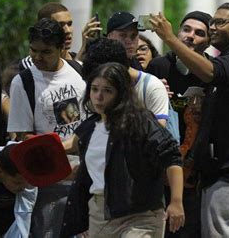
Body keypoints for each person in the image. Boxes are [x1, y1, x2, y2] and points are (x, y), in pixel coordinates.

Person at [151, 2, 229, 237]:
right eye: (212, 23)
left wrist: (169, 38)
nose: (213, 27)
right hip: (224, 169)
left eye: (219, 22)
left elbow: (210, 72)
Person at [61, 62, 184, 237]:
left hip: (140, 214)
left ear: (121, 93)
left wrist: (177, 201)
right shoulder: (90, 126)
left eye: (107, 90)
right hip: (100, 213)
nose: (99, 97)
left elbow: (172, 157)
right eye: (94, 89)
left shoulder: (141, 122)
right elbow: (70, 148)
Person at [7, 18, 88, 237]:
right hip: (46, 182)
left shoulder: (80, 72)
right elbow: (24, 135)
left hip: (83, 178)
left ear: (62, 49)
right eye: (33, 50)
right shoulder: (23, 82)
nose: (37, 57)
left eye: (46, 52)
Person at [147, 10, 212, 237]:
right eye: (186, 29)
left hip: (196, 171)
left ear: (208, 41)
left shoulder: (211, 71)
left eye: (199, 33)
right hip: (161, 167)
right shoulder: (158, 66)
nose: (191, 36)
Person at [19, 2, 101, 69]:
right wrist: (82, 51)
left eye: (69, 24)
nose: (67, 30)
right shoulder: (33, 63)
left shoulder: (78, 58)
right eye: (60, 25)